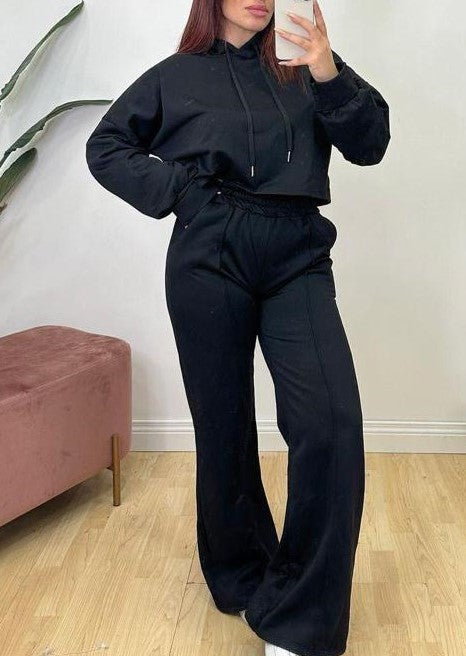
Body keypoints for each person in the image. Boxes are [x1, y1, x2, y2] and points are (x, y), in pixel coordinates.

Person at [85, 1, 390, 654]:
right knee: (224, 428)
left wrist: (329, 71)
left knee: (330, 422)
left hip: (297, 255)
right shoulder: (175, 75)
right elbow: (105, 146)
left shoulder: (307, 64)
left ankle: (300, 618)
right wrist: (182, 192)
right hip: (209, 254)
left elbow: (370, 146)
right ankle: (242, 574)